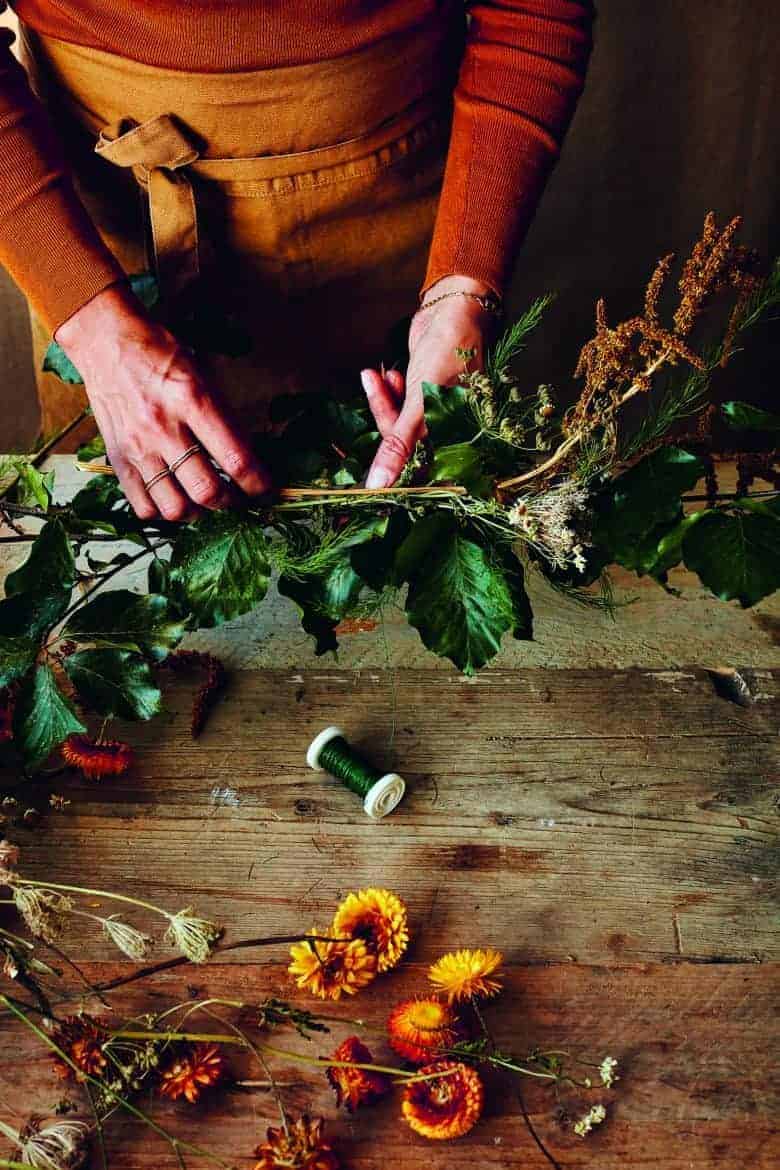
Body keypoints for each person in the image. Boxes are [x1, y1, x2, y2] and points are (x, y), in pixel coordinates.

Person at [0, 1, 594, 519]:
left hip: (408, 230)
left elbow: (532, 10)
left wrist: (463, 290)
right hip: (95, 248)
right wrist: (94, 328)